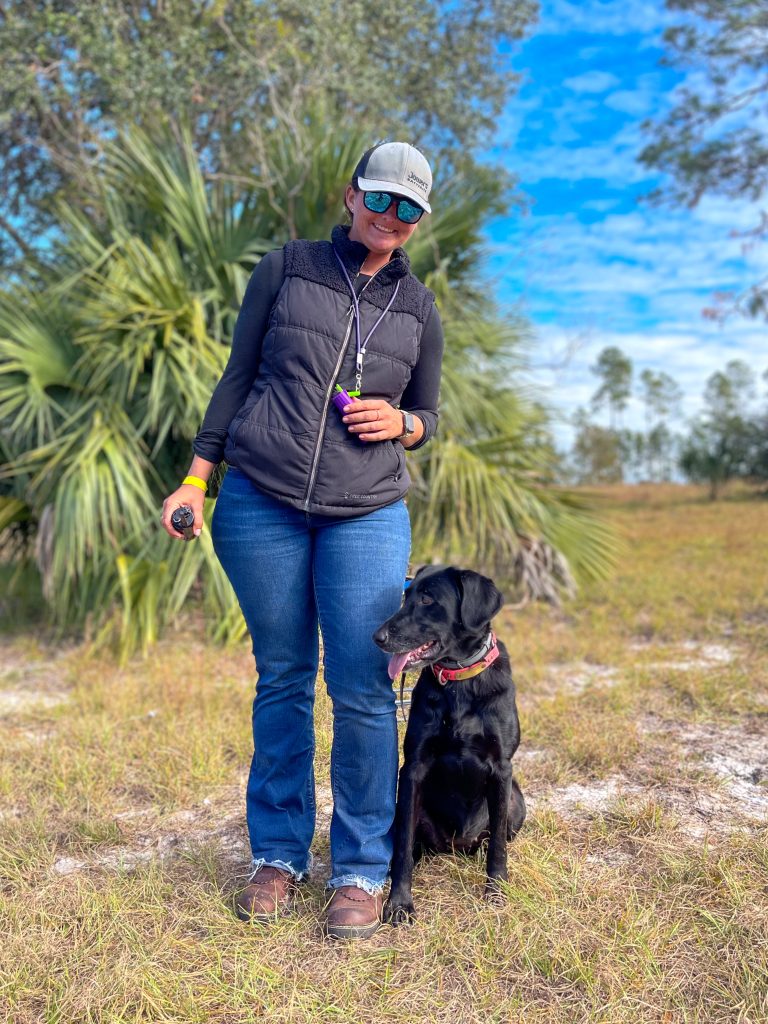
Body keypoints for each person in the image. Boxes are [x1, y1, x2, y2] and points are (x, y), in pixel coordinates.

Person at [161, 141, 444, 939]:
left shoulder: (418, 309)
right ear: (352, 194)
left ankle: (358, 868)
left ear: (420, 221)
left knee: (362, 687)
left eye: (409, 209)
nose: (391, 218)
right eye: (381, 199)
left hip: (367, 510)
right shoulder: (286, 269)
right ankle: (278, 855)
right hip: (261, 501)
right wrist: (195, 480)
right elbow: (237, 376)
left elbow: (430, 414)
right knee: (283, 677)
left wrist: (405, 423)